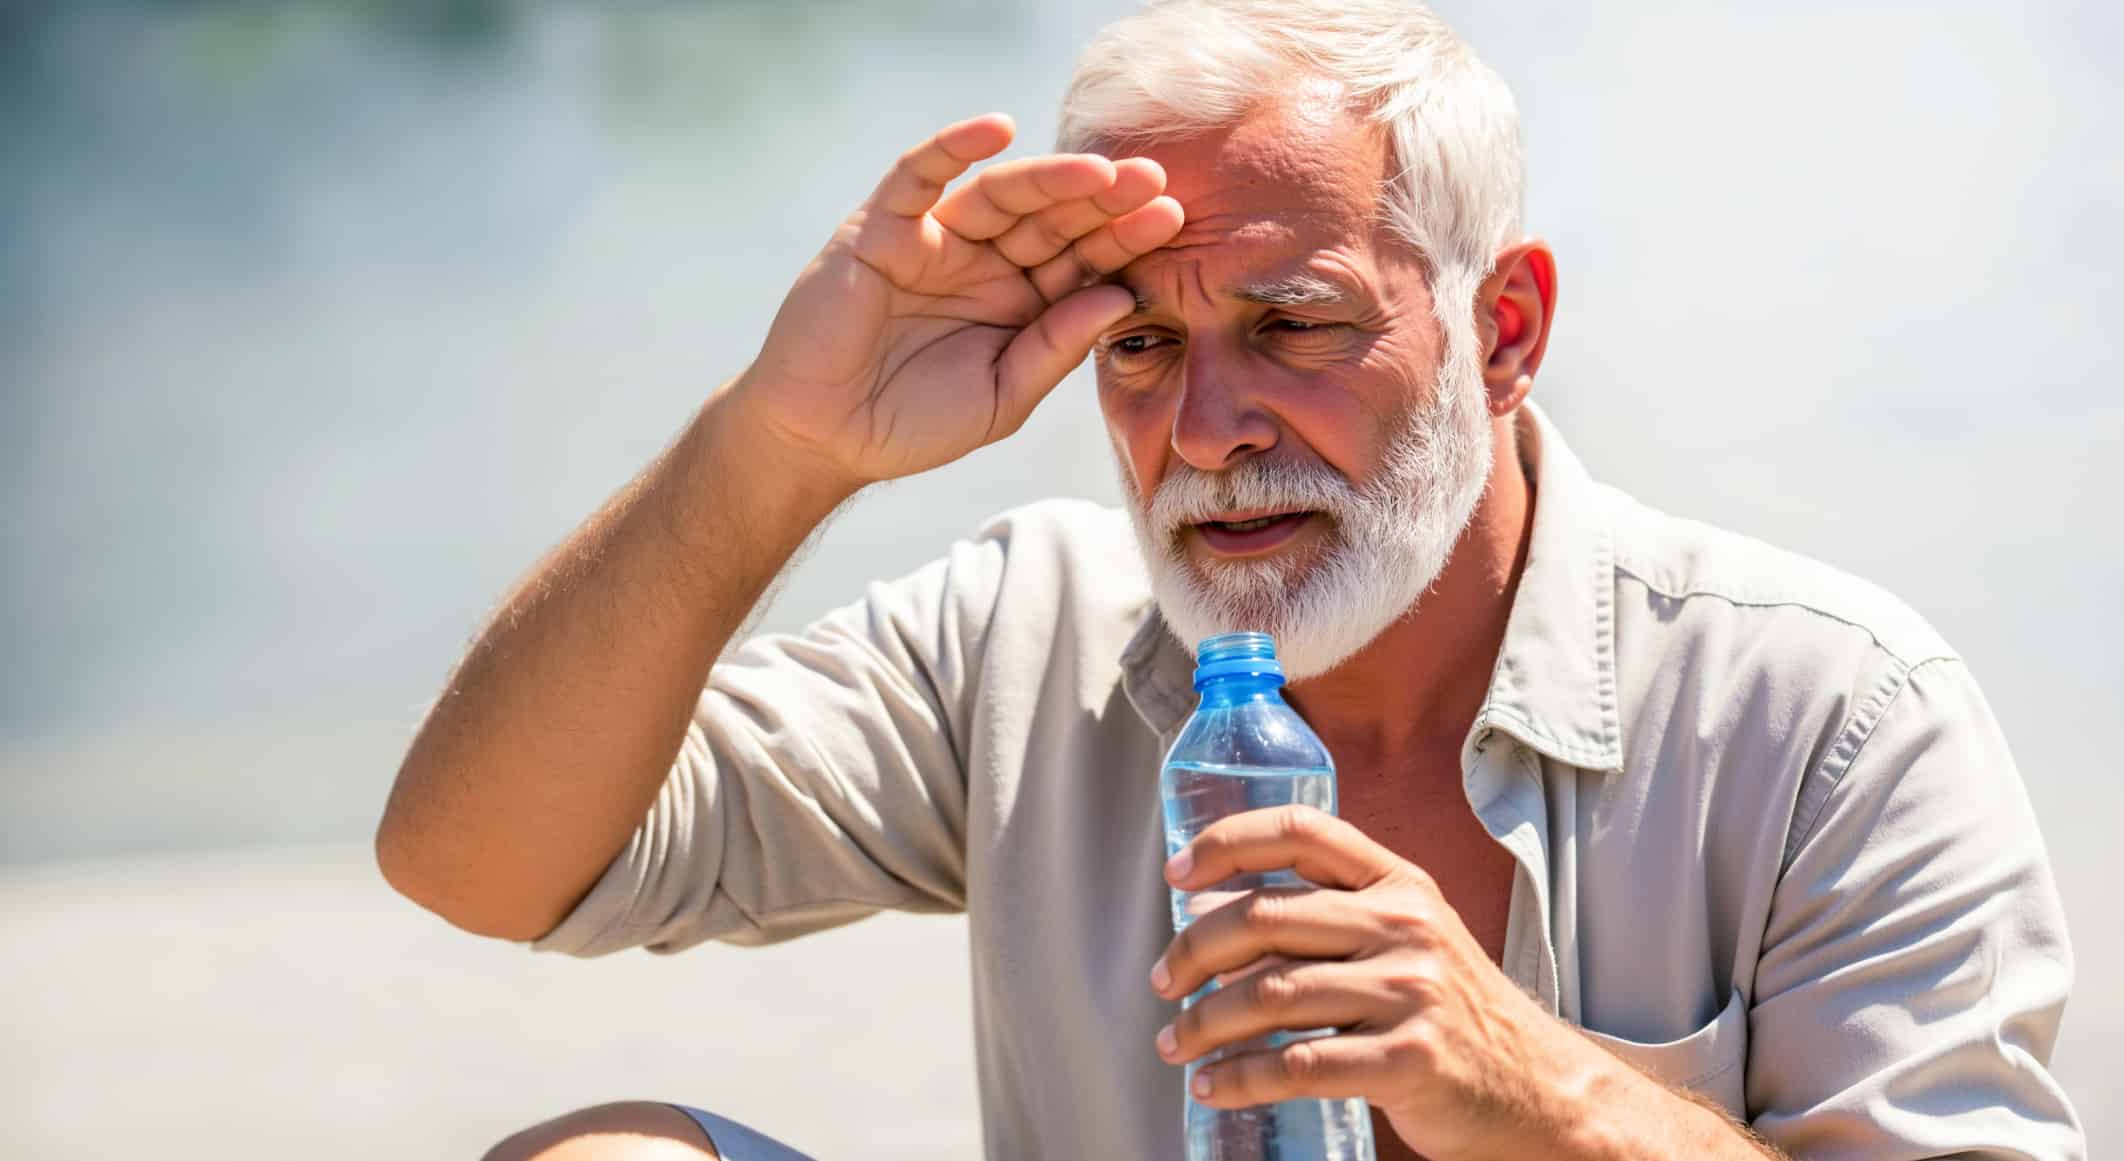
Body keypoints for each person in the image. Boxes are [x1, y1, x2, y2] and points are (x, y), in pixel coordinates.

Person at [375, 2, 2085, 1159]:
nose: (1204, 429)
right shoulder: (1028, 635)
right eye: (1139, 344)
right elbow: (475, 862)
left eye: (1294, 325)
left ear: (1502, 331)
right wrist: (781, 439)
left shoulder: (1833, 713)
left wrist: (1536, 1091)